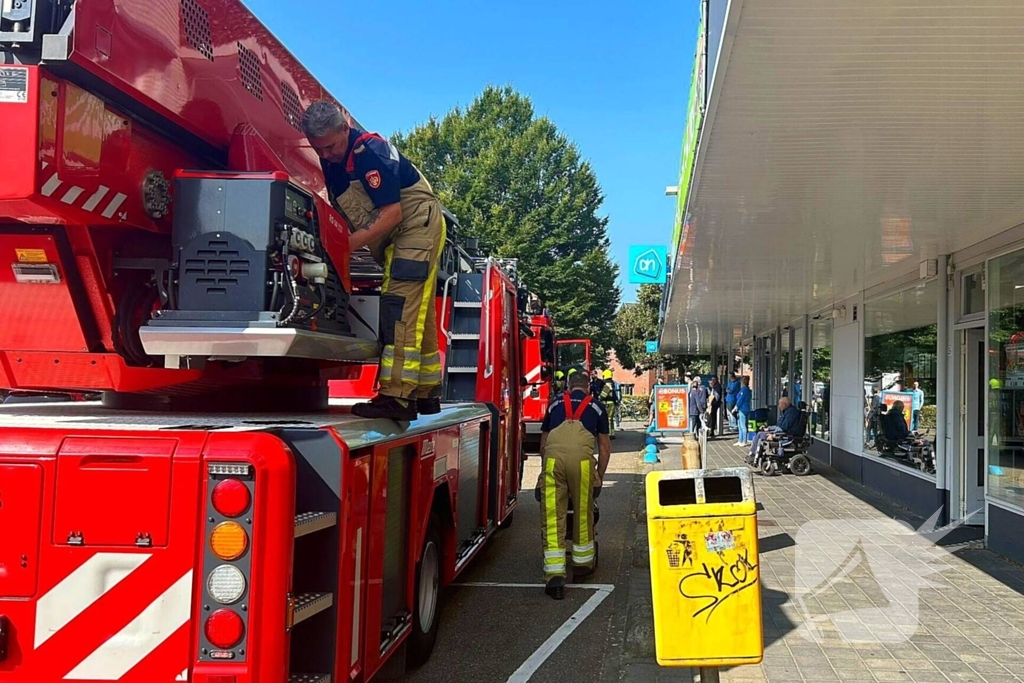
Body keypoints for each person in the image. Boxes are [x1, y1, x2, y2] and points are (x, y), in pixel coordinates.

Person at [302, 101, 444, 421]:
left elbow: (392, 213)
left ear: (344, 129)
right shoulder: (334, 160)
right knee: (415, 309)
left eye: (331, 146)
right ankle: (425, 393)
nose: (326, 155)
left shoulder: (370, 154)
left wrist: (344, 247)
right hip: (404, 234)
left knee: (398, 308)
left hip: (414, 226)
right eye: (318, 149)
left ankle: (397, 396)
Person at [536, 371, 611, 600]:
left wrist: (545, 472)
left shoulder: (554, 404)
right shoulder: (597, 407)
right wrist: (598, 477)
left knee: (552, 516)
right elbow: (605, 448)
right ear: (588, 387)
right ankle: (582, 566)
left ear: (569, 387)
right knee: (582, 512)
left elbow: (543, 443)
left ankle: (555, 577)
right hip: (582, 463)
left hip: (553, 461)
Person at [745, 396, 800, 464]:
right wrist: (769, 428)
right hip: (782, 432)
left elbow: (783, 428)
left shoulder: (791, 413)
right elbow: (779, 426)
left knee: (761, 435)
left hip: (786, 435)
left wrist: (773, 434)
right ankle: (752, 455)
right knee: (760, 433)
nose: (779, 406)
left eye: (780, 404)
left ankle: (754, 456)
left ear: (784, 404)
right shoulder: (787, 411)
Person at [590, 369, 621, 439]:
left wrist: (599, 398)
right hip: (612, 403)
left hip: (607, 404)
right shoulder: (613, 383)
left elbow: (604, 395)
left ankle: (609, 434)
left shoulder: (607, 384)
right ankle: (612, 433)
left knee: (607, 419)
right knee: (611, 419)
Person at [734, 376, 752, 446]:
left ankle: (743, 440)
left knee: (742, 425)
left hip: (742, 408)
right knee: (740, 424)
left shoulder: (743, 390)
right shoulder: (747, 389)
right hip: (745, 408)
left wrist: (736, 407)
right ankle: (740, 440)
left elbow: (740, 400)